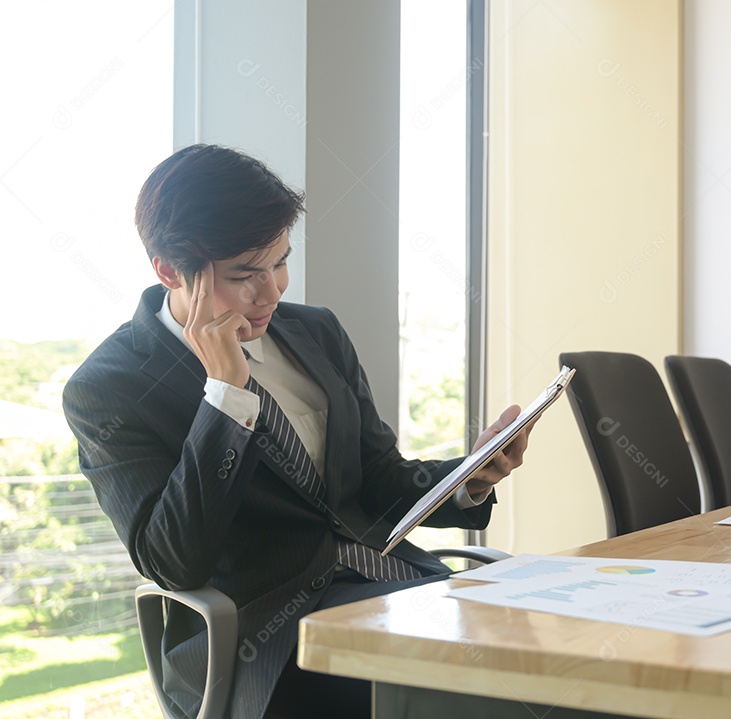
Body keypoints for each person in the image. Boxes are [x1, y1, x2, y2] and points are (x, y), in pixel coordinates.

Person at [62, 144, 530, 719]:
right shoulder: (110, 387)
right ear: (168, 271)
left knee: (554, 653)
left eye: (280, 263)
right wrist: (226, 395)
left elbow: (378, 478)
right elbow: (173, 562)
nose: (272, 292)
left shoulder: (316, 333)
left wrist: (469, 477)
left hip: (397, 587)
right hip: (267, 639)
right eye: (245, 275)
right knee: (489, 684)